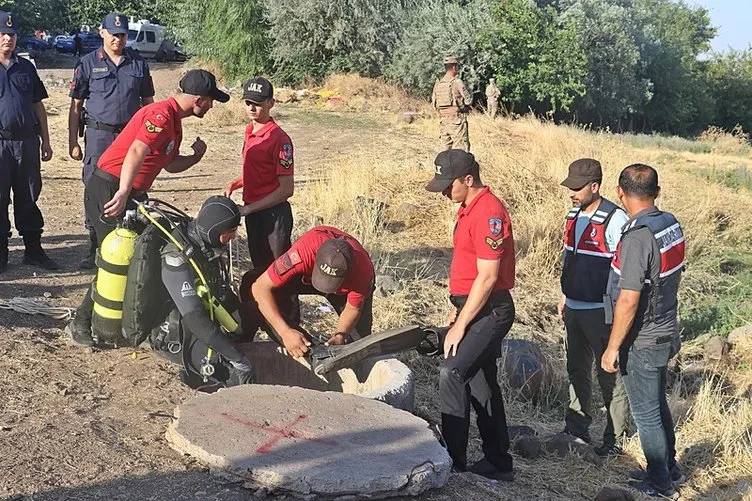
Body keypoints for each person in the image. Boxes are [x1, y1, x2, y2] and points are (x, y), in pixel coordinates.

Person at [66, 68, 229, 344]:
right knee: (115, 257)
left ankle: (124, 320)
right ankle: (81, 321)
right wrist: (123, 192)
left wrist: (194, 158)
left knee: (137, 256)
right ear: (198, 99)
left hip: (129, 190)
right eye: (210, 100)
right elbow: (136, 151)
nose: (212, 106)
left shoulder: (175, 121)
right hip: (111, 186)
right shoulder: (160, 115)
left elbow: (169, 164)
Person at [68, 195, 255, 389]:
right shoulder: (176, 256)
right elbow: (194, 318)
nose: (233, 237)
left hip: (195, 315)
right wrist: (237, 358)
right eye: (230, 232)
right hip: (171, 332)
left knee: (244, 325)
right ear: (214, 230)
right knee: (224, 370)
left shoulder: (203, 242)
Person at [424, 149, 515, 481]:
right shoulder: (468, 209)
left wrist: (460, 326)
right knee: (480, 384)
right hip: (473, 307)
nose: (444, 192)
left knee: (452, 372)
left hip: (491, 310)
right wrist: (459, 310)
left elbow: (489, 277)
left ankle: (451, 458)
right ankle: (498, 462)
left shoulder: (489, 212)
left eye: (448, 185)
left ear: (468, 179)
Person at [601, 164, 685, 500]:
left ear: (620, 193)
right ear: (657, 191)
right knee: (657, 403)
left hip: (644, 338)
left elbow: (629, 299)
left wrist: (612, 348)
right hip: (666, 327)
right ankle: (670, 468)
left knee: (645, 412)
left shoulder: (638, 237)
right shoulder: (669, 224)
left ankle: (660, 482)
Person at [68, 12, 155, 269]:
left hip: (130, 138)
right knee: (95, 190)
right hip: (99, 136)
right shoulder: (86, 63)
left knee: (133, 186)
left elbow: (149, 105)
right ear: (102, 32)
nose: (118, 39)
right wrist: (73, 141)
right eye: (113, 34)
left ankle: (132, 244)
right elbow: (75, 106)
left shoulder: (138, 64)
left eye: (122, 35)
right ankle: (95, 246)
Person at [558, 158, 630, 456]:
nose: (572, 192)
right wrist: (562, 296)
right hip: (573, 307)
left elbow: (626, 272)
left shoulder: (616, 220)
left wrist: (616, 311)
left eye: (577, 187)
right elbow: (568, 257)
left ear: (595, 186)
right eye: (570, 186)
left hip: (601, 311)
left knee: (608, 373)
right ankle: (576, 429)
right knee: (576, 368)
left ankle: (614, 438)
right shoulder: (573, 214)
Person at [247, 226, 375, 358]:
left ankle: (344, 358)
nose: (327, 288)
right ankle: (306, 347)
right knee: (250, 282)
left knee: (359, 344)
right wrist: (284, 331)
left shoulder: (363, 272)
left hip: (348, 287)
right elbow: (259, 287)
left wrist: (340, 335)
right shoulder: (302, 253)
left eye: (332, 284)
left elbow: (353, 309)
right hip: (306, 275)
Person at [0, 11, 58, 274]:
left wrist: (46, 141)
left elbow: (38, 106)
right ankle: (1, 255)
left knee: (29, 195)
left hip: (27, 144)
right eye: (2, 34)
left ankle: (33, 250)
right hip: (0, 145)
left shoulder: (26, 67)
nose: (7, 39)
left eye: (11, 34)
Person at [224, 76, 294, 274]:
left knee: (280, 274)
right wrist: (236, 183)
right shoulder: (249, 130)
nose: (252, 108)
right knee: (259, 270)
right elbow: (261, 172)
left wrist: (249, 209)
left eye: (258, 104)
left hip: (273, 215)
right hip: (253, 213)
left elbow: (286, 189)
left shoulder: (280, 139)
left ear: (271, 103)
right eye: (248, 103)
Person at [431, 55, 472, 152]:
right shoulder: (457, 82)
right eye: (457, 66)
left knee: (445, 151)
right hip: (456, 120)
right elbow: (468, 101)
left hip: (443, 121)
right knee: (461, 151)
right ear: (454, 67)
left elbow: (434, 104)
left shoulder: (438, 84)